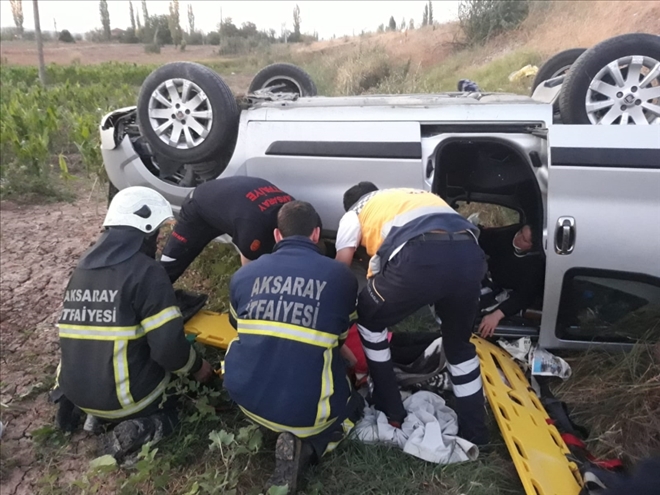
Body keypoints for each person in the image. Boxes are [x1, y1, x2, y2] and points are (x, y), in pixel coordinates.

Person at [53, 186, 213, 461]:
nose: (159, 239)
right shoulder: (147, 272)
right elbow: (169, 352)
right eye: (156, 233)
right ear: (146, 229)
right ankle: (139, 428)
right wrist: (200, 369)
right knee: (176, 409)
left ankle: (93, 414)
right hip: (129, 400)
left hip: (74, 390)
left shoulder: (82, 268)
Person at [334, 182, 489, 446]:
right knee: (459, 347)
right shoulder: (408, 196)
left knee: (370, 320)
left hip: (421, 254)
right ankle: (476, 434)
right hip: (470, 254)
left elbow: (339, 270)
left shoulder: (354, 213)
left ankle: (390, 409)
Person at [223, 201, 361, 494]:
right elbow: (337, 340)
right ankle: (309, 449)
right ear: (316, 234)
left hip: (245, 398)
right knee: (355, 404)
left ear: (276, 235)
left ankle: (267, 425)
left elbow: (239, 328)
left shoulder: (243, 275)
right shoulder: (341, 277)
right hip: (307, 416)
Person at [160, 176, 294, 283]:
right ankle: (148, 299)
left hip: (236, 202)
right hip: (199, 206)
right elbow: (249, 272)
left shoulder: (302, 215)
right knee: (169, 266)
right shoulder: (254, 228)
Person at [477, 224, 545, 338]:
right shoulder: (507, 235)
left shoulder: (534, 267)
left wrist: (497, 315)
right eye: (520, 232)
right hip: (487, 276)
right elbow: (484, 239)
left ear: (531, 247)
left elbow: (524, 296)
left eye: (524, 239)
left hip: (505, 290)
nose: (518, 237)